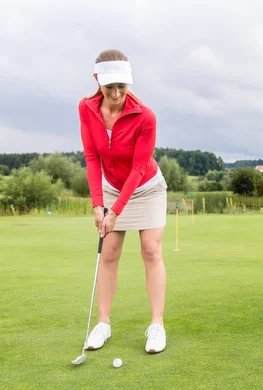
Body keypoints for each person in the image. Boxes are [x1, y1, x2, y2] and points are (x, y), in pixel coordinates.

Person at [78, 49, 168, 354]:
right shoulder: (86, 109)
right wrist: (97, 205)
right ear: (97, 81)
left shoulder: (145, 116)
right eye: (109, 87)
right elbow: (91, 157)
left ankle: (156, 325)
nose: (116, 94)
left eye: (122, 87)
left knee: (151, 250)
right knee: (110, 253)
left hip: (146, 187)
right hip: (111, 188)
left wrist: (115, 211)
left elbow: (139, 168)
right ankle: (103, 324)